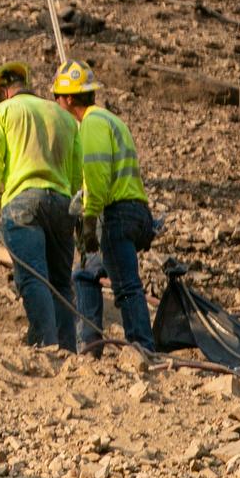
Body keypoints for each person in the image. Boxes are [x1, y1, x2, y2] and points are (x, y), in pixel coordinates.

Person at [53, 60, 156, 354]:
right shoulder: (112, 120)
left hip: (116, 216)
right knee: (85, 274)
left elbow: (97, 177)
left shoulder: (93, 124)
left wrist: (88, 223)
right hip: (136, 212)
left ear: (69, 98)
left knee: (125, 285)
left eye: (57, 98)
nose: (56, 103)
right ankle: (89, 344)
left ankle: (143, 349)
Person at [0, 61, 81, 350]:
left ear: (1, 92)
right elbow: (76, 169)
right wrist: (72, 204)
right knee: (61, 283)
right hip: (63, 203)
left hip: (22, 204)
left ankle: (45, 346)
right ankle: (67, 349)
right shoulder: (64, 117)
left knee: (33, 277)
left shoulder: (0, 113)